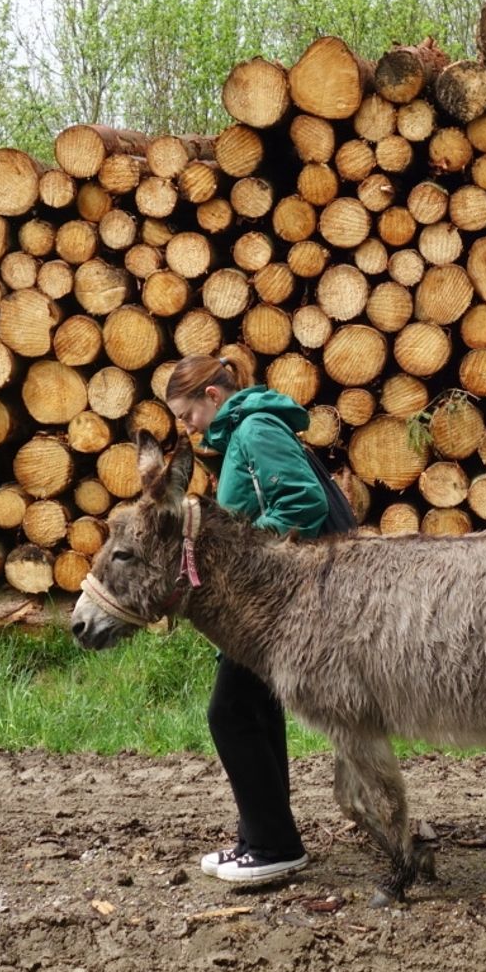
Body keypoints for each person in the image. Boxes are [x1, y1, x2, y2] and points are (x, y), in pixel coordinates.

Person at [163, 344, 329, 885]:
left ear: (212, 396)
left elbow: (305, 503)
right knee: (253, 712)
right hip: (270, 598)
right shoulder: (243, 433)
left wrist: (241, 555)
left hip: (281, 598)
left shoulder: (255, 430)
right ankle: (260, 837)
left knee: (229, 713)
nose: (188, 429)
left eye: (188, 416)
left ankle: (273, 844)